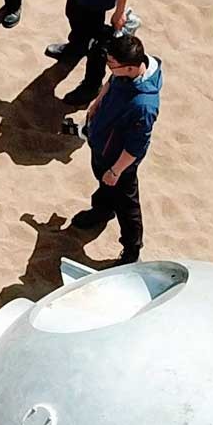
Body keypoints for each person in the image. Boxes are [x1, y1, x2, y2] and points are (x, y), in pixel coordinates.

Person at [70, 34, 161, 264]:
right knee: (103, 184)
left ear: (130, 68)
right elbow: (112, 79)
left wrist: (116, 171)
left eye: (112, 64)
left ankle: (131, 250)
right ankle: (102, 211)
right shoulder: (125, 70)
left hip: (119, 162)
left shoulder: (143, 106)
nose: (109, 67)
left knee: (127, 205)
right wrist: (98, 100)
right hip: (101, 145)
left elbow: (136, 147)